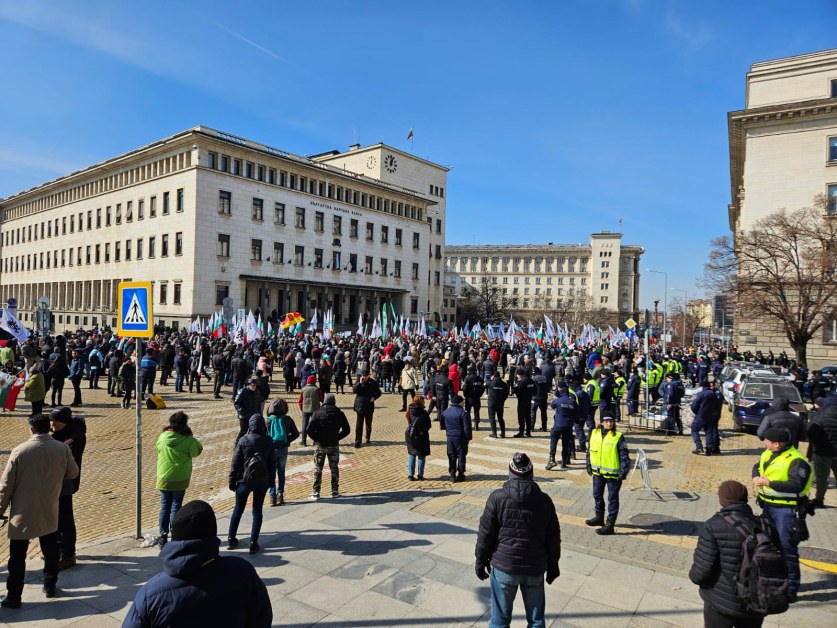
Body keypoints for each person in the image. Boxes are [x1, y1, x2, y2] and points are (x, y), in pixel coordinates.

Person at [123, 500, 272, 627]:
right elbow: (262, 620)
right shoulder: (243, 572)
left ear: (174, 537)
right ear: (213, 533)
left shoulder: (151, 594)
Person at [0, 414, 79, 608]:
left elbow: (6, 486)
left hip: (22, 511)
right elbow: (73, 473)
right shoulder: (62, 449)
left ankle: (14, 596)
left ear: (32, 430)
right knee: (51, 550)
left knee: (17, 557)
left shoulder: (20, 451)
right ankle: (50, 586)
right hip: (50, 507)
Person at [475, 452, 561, 628]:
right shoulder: (544, 501)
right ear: (531, 474)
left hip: (504, 566)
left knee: (499, 620)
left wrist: (480, 561)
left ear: (510, 473)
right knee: (536, 621)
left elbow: (486, 533)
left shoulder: (497, 498)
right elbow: (553, 538)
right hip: (534, 568)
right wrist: (553, 566)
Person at [689, 481, 770, 628]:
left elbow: (701, 569)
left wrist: (697, 580)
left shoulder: (714, 526)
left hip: (721, 602)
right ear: (745, 499)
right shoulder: (766, 525)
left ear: (722, 500)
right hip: (755, 601)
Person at [752, 426, 812, 601]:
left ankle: (791, 588)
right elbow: (758, 466)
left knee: (787, 549)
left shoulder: (797, 461)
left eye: (767, 441)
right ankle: (773, 581)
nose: (764, 442)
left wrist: (769, 483)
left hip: (786, 510)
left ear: (776, 444)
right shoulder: (768, 453)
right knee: (767, 545)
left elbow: (796, 485)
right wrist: (756, 476)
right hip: (768, 508)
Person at [228, 414, 275, 554]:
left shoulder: (243, 440)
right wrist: (272, 481)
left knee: (238, 510)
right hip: (262, 481)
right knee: (257, 511)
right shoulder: (268, 441)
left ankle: (231, 538)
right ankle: (253, 543)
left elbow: (235, 463)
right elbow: (272, 464)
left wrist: (231, 481)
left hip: (244, 481)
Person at [156, 411, 203, 547]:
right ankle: (175, 534)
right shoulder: (188, 439)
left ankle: (163, 535)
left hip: (164, 476)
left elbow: (157, 449)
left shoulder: (163, 436)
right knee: (176, 507)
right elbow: (197, 451)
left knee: (165, 506)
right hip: (181, 478)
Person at [50, 406, 86, 571]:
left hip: (65, 482)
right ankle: (57, 549)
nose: (51, 424)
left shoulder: (74, 437)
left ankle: (68, 554)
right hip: (55, 482)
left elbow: (64, 461)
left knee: (65, 518)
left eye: (54, 421)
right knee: (55, 517)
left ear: (63, 422)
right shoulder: (60, 434)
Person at [585, 414, 630, 535]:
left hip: (613, 475)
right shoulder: (594, 433)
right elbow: (589, 451)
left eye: (611, 421)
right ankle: (599, 517)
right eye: (607, 421)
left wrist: (624, 471)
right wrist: (588, 465)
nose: (609, 424)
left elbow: (624, 455)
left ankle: (610, 524)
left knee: (612, 498)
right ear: (601, 422)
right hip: (598, 473)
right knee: (597, 494)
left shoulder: (618, 436)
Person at [307, 393, 351, 500]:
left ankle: (316, 492)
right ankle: (334, 491)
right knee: (334, 468)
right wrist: (337, 437)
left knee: (318, 469)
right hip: (333, 445)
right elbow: (347, 430)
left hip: (320, 445)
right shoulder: (340, 413)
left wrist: (316, 438)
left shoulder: (317, 413)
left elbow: (309, 430)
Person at [265, 398, 299, 507]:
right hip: (283, 449)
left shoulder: (267, 420)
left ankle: (272, 497)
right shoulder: (287, 419)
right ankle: (280, 495)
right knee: (281, 472)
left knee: (271, 473)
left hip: (271, 450)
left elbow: (262, 435)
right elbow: (296, 434)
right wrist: (286, 441)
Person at [807, 396, 837, 509]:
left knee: (822, 478)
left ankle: (819, 500)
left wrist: (817, 445)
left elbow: (810, 434)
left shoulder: (821, 418)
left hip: (822, 453)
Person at [440, 394, 472, 483]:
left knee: (451, 455)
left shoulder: (445, 412)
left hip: (450, 437)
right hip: (461, 437)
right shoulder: (463, 413)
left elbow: (442, 425)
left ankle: (452, 475)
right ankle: (461, 474)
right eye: (463, 402)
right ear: (459, 403)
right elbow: (467, 427)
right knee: (461, 455)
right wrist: (468, 438)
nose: (464, 404)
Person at [546, 381, 577, 470]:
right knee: (565, 444)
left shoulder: (558, 400)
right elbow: (576, 413)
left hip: (558, 425)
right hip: (568, 426)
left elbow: (552, 405)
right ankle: (564, 461)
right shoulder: (573, 401)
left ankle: (552, 459)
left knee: (553, 441)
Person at [690, 380, 720, 455]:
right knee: (708, 432)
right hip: (710, 416)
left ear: (702, 387)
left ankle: (699, 447)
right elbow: (717, 405)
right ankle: (709, 449)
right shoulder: (714, 394)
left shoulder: (701, 394)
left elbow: (694, 405)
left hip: (701, 416)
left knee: (694, 429)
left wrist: (697, 412)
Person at [352, 372, 381, 448]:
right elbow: (354, 390)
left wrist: (374, 397)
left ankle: (367, 438)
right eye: (362, 375)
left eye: (365, 376)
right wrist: (360, 383)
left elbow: (379, 392)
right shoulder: (359, 381)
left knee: (368, 424)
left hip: (369, 406)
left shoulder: (373, 383)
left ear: (368, 376)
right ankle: (358, 440)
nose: (363, 377)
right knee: (359, 425)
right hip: (360, 406)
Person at [405, 395, 431, 481]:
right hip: (421, 435)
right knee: (421, 455)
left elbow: (409, 421)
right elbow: (428, 425)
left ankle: (410, 475)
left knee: (412, 455)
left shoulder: (409, 410)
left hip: (411, 435)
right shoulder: (424, 413)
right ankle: (420, 475)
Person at [233, 377, 263, 444]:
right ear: (248, 385)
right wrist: (243, 411)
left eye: (255, 385)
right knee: (243, 431)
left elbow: (258, 404)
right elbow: (236, 403)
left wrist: (259, 414)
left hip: (254, 416)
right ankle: (237, 443)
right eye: (252, 385)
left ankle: (250, 444)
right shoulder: (242, 391)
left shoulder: (257, 392)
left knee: (253, 431)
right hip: (244, 417)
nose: (254, 387)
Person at [298, 374, 323, 447]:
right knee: (315, 425)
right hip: (315, 409)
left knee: (304, 425)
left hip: (305, 409)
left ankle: (304, 441)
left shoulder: (303, 389)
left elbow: (300, 400)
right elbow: (321, 399)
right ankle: (315, 441)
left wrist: (301, 408)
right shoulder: (317, 389)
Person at [512, 369, 535, 438]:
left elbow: (519, 391)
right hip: (529, 400)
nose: (516, 376)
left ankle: (521, 432)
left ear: (520, 375)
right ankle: (528, 432)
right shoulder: (531, 380)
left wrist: (515, 389)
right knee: (528, 417)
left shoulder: (522, 381)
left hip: (522, 401)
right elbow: (535, 391)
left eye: (517, 374)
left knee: (521, 417)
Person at [487, 371, 510, 438]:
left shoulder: (490, 383)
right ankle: (503, 433)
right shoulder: (504, 384)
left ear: (493, 376)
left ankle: (494, 433)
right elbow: (507, 393)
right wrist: (503, 400)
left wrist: (490, 379)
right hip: (500, 403)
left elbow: (484, 384)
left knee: (492, 418)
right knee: (500, 418)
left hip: (491, 403)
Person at [463, 365, 486, 431]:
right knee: (476, 412)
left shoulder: (467, 378)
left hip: (469, 398)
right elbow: (483, 386)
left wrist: (465, 395)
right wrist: (481, 394)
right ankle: (476, 425)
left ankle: (468, 425)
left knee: (467, 412)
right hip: (477, 398)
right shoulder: (480, 378)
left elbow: (464, 388)